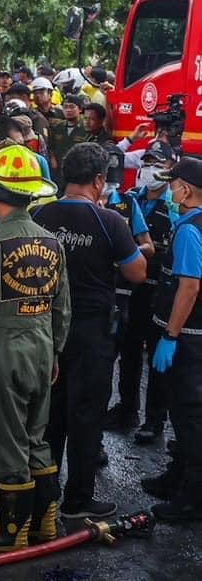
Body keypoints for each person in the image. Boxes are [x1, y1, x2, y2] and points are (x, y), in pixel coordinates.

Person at [32, 142, 145, 522]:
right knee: (86, 415)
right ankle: (78, 499)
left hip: (45, 330)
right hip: (90, 332)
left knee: (49, 416)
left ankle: (42, 498)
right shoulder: (109, 220)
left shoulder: (40, 215)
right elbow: (137, 273)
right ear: (99, 180)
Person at [0, 147, 69, 549]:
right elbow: (63, 306)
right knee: (36, 433)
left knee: (8, 436)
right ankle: (48, 520)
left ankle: (12, 530)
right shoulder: (52, 243)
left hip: (2, 351)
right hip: (43, 347)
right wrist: (56, 352)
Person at [144, 156, 202, 520]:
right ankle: (178, 477)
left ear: (185, 189)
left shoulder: (190, 230)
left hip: (189, 338)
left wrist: (171, 334)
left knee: (190, 417)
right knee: (184, 416)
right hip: (192, 336)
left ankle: (191, 498)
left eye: (173, 184)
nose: (169, 189)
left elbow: (190, 285)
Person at [111, 141, 177, 443]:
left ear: (170, 169)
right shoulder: (131, 200)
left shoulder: (174, 208)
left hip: (159, 291)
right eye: (147, 162)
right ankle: (127, 408)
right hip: (131, 290)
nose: (150, 168)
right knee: (129, 351)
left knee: (156, 360)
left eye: (158, 164)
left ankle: (154, 420)